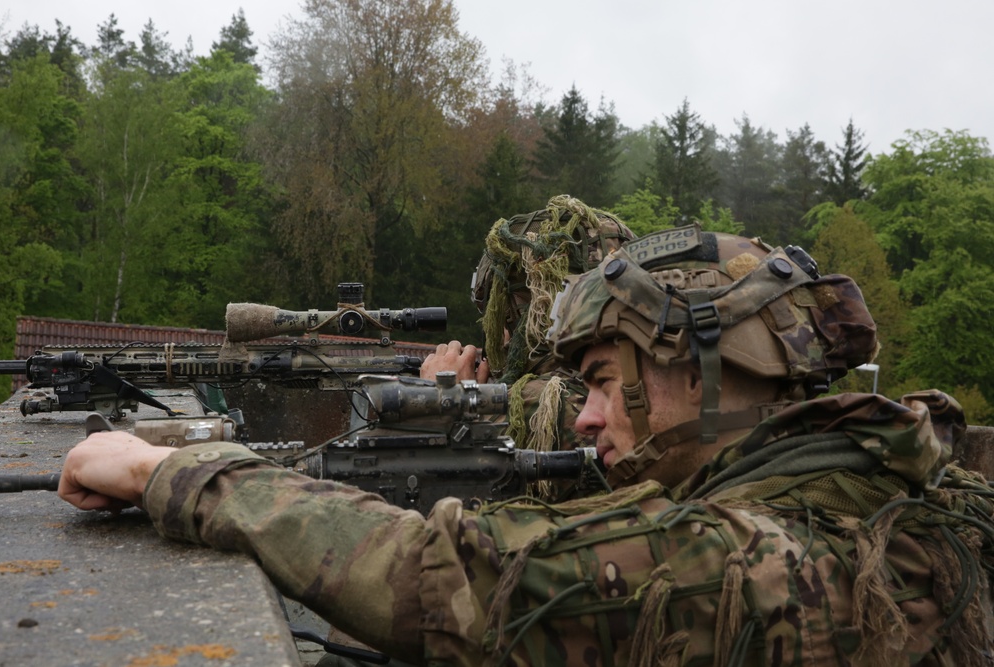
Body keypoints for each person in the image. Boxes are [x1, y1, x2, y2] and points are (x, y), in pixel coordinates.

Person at [60, 223, 994, 666]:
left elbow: (450, 578)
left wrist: (172, 472)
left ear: (705, 367)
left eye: (599, 381)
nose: (586, 420)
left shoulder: (754, 562)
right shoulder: (896, 473)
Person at [421, 195, 635, 498]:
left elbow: (436, 498)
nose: (497, 336)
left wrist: (441, 403)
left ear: (526, 310)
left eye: (497, 313)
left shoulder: (545, 404)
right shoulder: (641, 381)